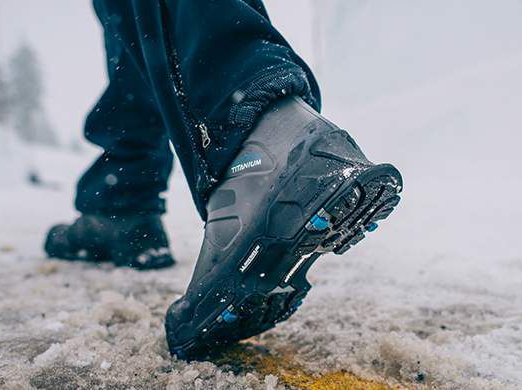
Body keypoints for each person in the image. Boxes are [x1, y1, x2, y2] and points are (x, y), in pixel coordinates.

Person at [44, 0, 402, 360]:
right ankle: (122, 197)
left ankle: (261, 131)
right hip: (126, 185)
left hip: (254, 120)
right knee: (127, 16)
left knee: (145, 13)